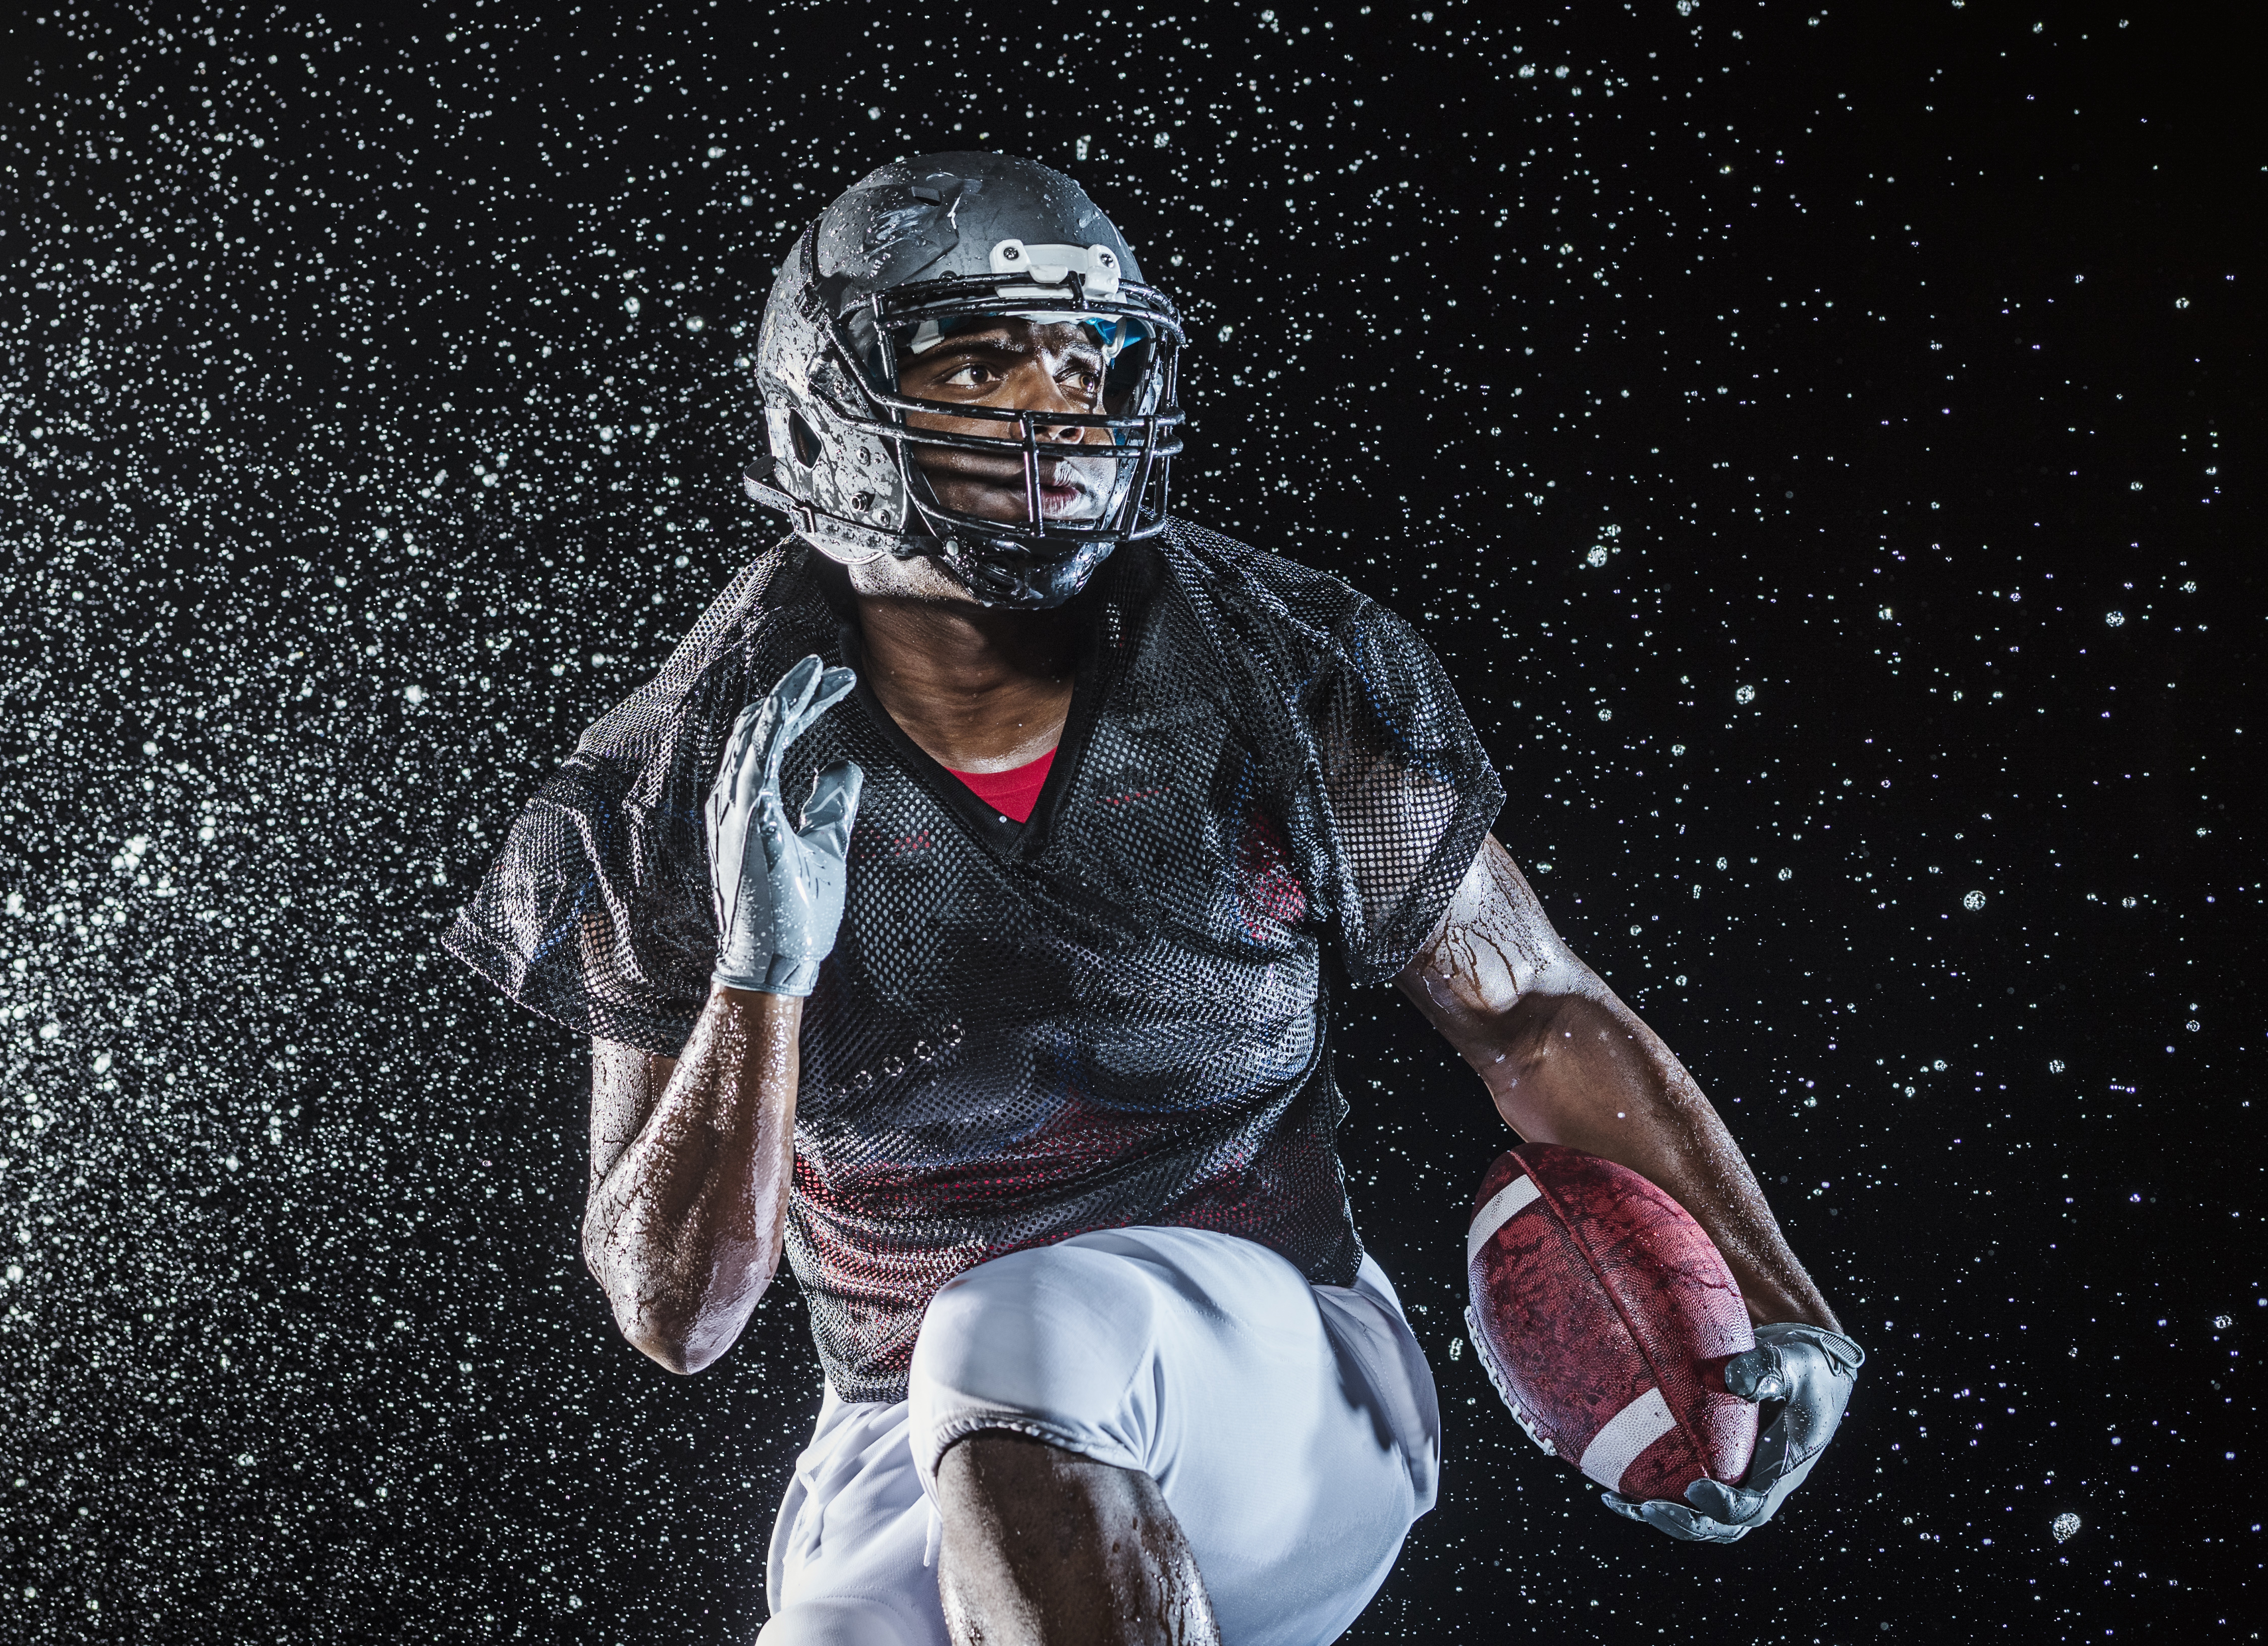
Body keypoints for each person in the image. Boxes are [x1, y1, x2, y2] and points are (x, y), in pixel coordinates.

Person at [446, 152, 1862, 1645]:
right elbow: (679, 1314)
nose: (1060, 407)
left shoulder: (1271, 666)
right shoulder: (683, 774)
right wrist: (761, 975)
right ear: (826, 411)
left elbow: (1530, 1010)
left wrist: (1783, 1304)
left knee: (1023, 1330)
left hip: (1277, 1386)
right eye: (986, 359)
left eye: (1092, 357)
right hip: (904, 1421)